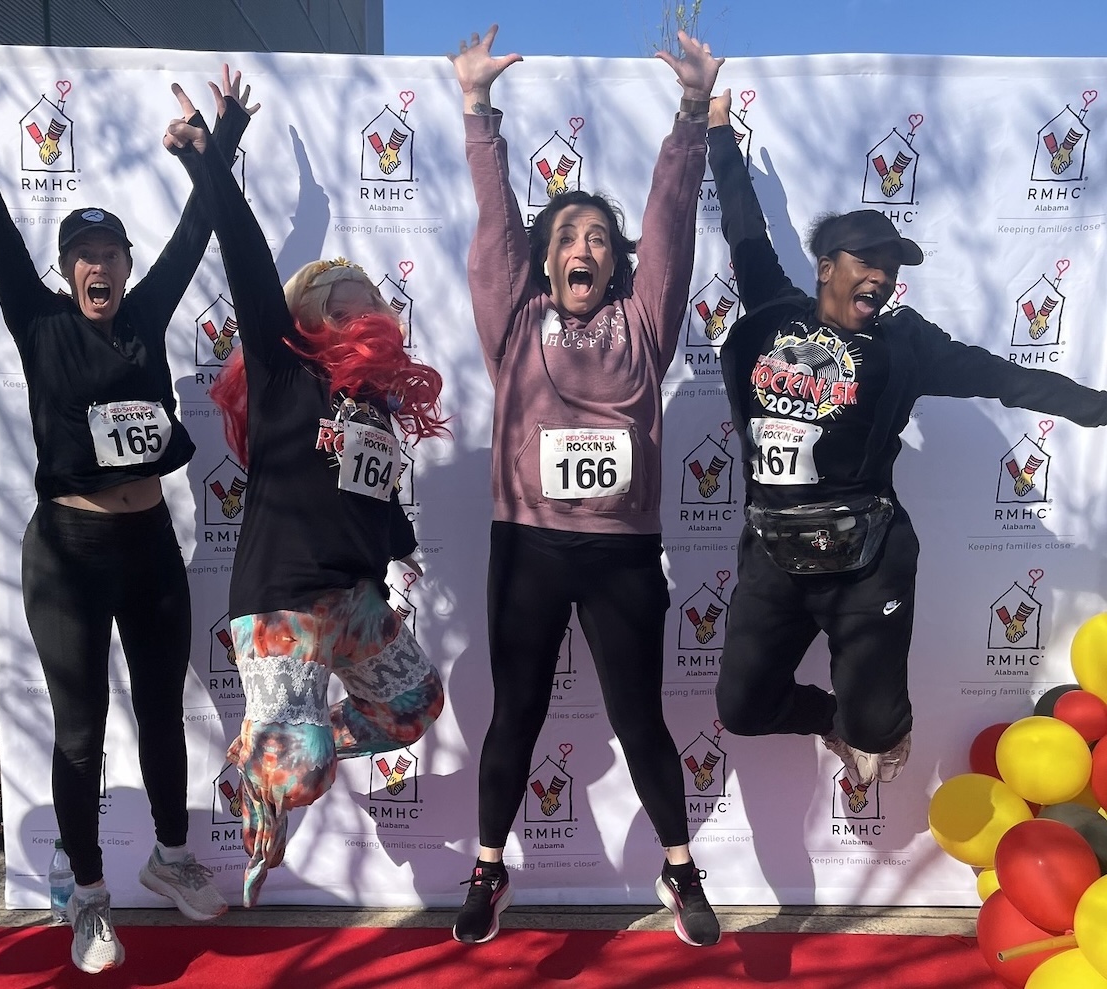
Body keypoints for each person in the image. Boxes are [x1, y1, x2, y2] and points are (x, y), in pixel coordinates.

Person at [0, 12, 256, 975]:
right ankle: (91, 894)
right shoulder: (39, 319)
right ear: (66, 272)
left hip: (150, 552)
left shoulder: (145, 314)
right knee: (76, 732)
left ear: (126, 267)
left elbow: (198, 232)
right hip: (66, 553)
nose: (98, 267)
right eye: (83, 257)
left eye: (111, 254)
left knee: (159, 718)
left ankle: (174, 862)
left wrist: (218, 146)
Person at [706, 87, 1107, 788]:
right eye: (868, 259)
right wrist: (712, 128)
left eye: (892, 268)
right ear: (826, 264)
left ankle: (868, 721)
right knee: (740, 705)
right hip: (773, 552)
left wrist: (1099, 407)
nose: (883, 276)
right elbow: (743, 227)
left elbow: (1009, 379)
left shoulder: (904, 344)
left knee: (876, 733)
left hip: (866, 558)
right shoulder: (771, 311)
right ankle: (832, 717)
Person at [447, 25, 724, 948]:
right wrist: (479, 113)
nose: (586, 247)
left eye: (599, 238)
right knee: (515, 714)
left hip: (622, 554)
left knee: (639, 714)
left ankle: (680, 866)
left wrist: (690, 117)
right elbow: (494, 230)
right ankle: (489, 869)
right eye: (568, 235)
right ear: (545, 255)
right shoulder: (515, 319)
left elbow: (669, 225)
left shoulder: (645, 323)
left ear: (615, 262)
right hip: (526, 545)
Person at [162, 83, 448, 910]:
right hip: (283, 603)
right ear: (318, 312)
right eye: (349, 293)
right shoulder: (288, 370)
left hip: (352, 596)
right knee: (309, 768)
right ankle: (266, 766)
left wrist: (399, 545)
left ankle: (286, 736)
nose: (370, 302)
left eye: (374, 295)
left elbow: (370, 493)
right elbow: (248, 259)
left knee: (413, 704)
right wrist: (213, 151)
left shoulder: (377, 405)